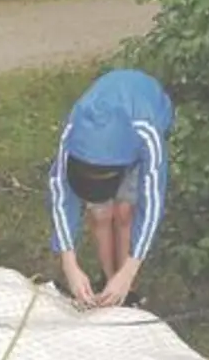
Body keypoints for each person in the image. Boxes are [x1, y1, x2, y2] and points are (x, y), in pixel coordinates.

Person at [47, 69, 173, 308]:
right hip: (100, 152)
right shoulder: (75, 133)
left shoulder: (146, 130)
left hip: (133, 150)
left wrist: (129, 271)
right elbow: (60, 193)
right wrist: (69, 264)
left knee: (126, 211)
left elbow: (152, 201)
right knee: (100, 214)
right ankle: (107, 280)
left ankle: (126, 290)